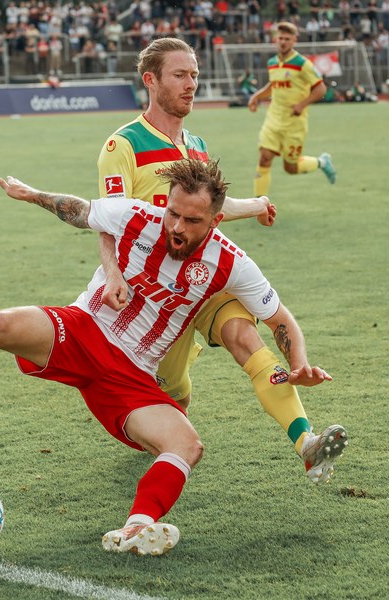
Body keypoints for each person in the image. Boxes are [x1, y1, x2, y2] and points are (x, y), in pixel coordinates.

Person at [0, 160, 347, 556]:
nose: (177, 227)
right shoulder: (139, 217)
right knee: (1, 325)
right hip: (81, 330)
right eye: (173, 213)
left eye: (192, 220)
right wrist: (32, 195)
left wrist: (299, 360)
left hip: (132, 375)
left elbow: (280, 318)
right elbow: (80, 210)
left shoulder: (231, 262)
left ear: (215, 219)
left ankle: (138, 527)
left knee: (187, 444)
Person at [97, 37, 331, 483]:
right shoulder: (122, 145)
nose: (191, 85)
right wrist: (112, 274)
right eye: (180, 75)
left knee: (245, 337)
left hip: (203, 278)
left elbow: (208, 210)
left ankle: (307, 443)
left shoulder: (197, 144)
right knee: (174, 398)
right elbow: (108, 223)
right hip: (154, 296)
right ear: (151, 80)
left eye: (195, 75)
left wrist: (257, 204)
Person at [248, 21, 336, 195]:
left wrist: (302, 104)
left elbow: (321, 89)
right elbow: (274, 85)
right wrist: (257, 96)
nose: (283, 42)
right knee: (264, 158)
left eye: (287, 39)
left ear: (294, 40)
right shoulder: (272, 62)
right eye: (280, 38)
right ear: (275, 39)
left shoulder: (302, 63)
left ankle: (322, 162)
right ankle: (259, 204)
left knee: (290, 168)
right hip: (273, 119)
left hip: (294, 123)